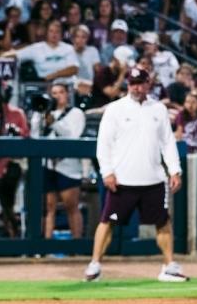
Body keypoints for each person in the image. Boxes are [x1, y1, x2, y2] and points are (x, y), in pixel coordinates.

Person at [85, 67, 185, 283]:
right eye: (132, 83)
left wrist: (175, 169)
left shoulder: (158, 109)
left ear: (148, 83)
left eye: (140, 83)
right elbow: (104, 144)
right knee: (107, 221)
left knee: (163, 222)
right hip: (123, 180)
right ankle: (94, 265)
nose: (136, 88)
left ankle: (169, 266)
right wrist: (107, 172)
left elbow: (168, 142)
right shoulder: (115, 109)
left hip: (153, 179)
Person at [32, 83, 86, 240]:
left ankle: (76, 246)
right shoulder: (40, 112)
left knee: (71, 206)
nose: (57, 96)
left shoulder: (76, 113)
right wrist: (42, 117)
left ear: (67, 94)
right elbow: (35, 136)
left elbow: (73, 136)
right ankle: (45, 248)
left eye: (61, 92)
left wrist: (53, 122)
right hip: (47, 165)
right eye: (54, 93)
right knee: (48, 207)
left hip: (68, 167)